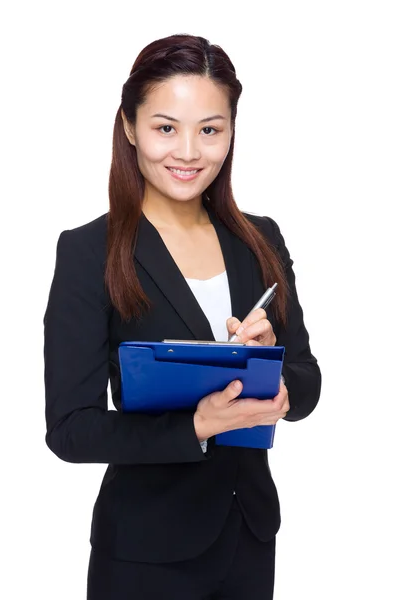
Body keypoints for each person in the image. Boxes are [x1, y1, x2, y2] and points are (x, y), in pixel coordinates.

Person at [44, 33, 321, 600]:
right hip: (147, 553)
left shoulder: (259, 240)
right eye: (166, 127)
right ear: (129, 125)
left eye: (210, 129)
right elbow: (70, 430)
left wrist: (278, 388)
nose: (190, 152)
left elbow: (308, 380)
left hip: (248, 538)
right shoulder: (88, 252)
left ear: (231, 132)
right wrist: (197, 426)